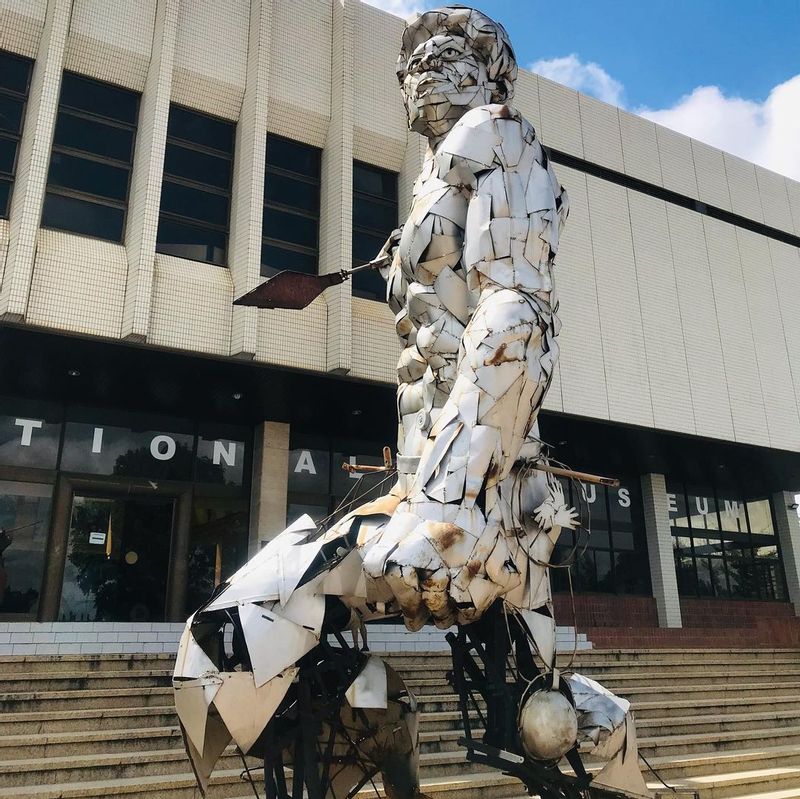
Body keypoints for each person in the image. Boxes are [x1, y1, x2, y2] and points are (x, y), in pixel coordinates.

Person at [173, 9, 649, 799]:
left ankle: (608, 761)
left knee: (531, 717)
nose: (428, 65)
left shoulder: (499, 135)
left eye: (453, 53)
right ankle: (389, 729)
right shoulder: (435, 178)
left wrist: (452, 499)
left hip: (472, 500)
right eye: (417, 57)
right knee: (524, 710)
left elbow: (519, 313)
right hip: (427, 493)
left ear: (492, 76)